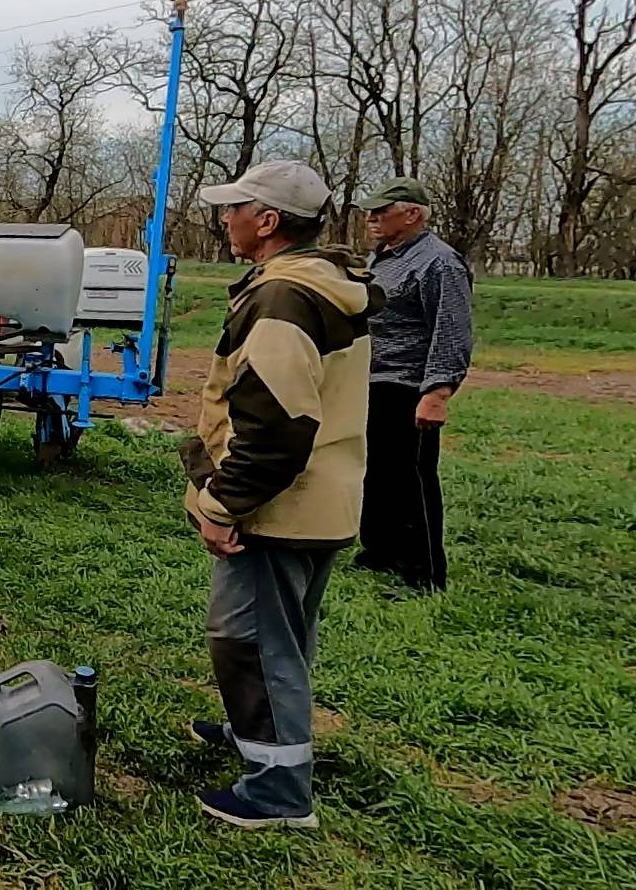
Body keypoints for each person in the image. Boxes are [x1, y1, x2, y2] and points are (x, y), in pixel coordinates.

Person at [180, 160, 384, 829]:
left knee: (251, 639)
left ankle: (277, 791)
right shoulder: (319, 283)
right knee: (282, 636)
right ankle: (256, 736)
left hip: (280, 506)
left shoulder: (282, 300)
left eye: (235, 208)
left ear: (267, 222)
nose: (225, 218)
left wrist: (219, 505)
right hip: (323, 495)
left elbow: (275, 429)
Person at [355, 177, 473, 593]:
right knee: (377, 473)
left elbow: (452, 330)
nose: (371, 218)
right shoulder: (384, 256)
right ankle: (380, 552)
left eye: (380, 211)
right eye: (369, 211)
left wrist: (437, 392)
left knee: (411, 479)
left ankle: (423, 573)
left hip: (408, 385)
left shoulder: (439, 262)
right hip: (373, 380)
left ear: (412, 214)